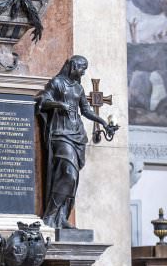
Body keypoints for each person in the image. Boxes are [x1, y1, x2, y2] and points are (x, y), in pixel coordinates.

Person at [36, 56, 114, 229]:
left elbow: (85, 110)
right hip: (60, 133)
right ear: (72, 66)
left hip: (76, 134)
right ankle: (50, 215)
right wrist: (59, 105)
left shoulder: (78, 88)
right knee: (68, 173)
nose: (83, 72)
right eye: (81, 68)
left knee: (73, 179)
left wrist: (102, 122)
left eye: (85, 69)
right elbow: (42, 101)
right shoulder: (57, 83)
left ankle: (62, 217)